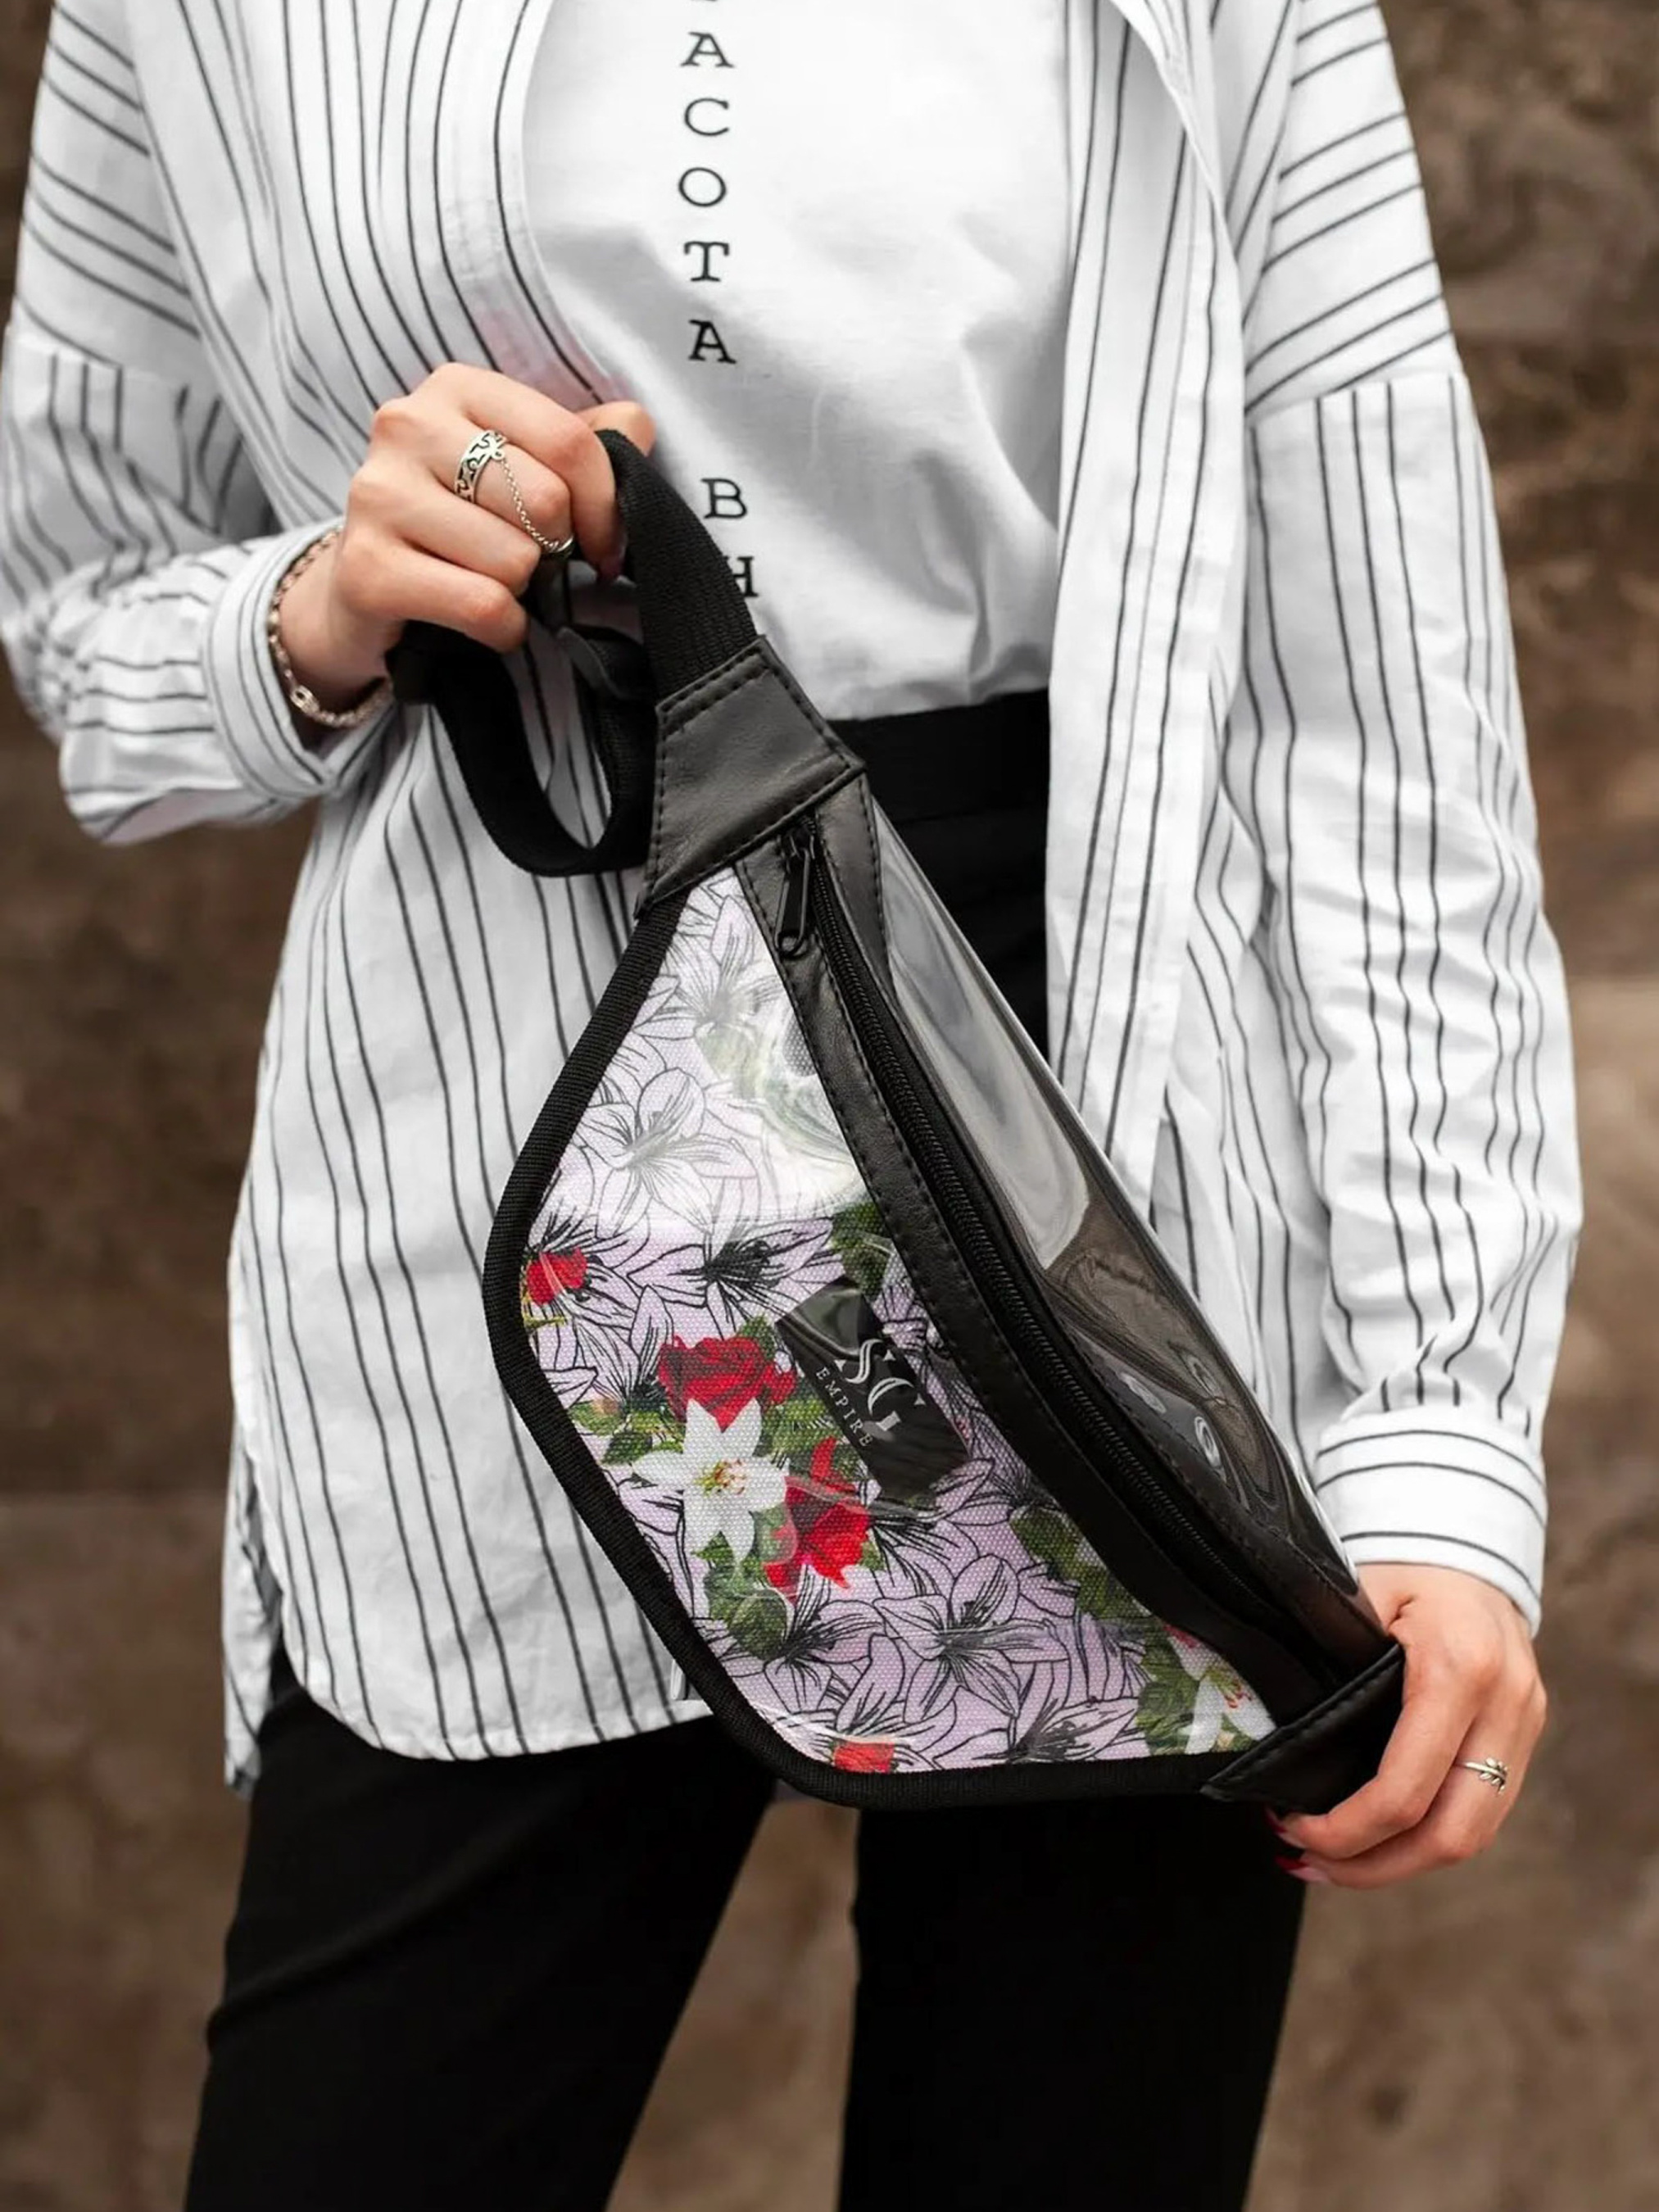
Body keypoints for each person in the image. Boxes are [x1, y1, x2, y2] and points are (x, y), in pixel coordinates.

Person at [0, 2, 1580, 2208]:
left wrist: (1434, 1429)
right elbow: (84, 613)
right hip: (512, 1187)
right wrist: (326, 602)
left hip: (1114, 1219)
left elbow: (1380, 700)